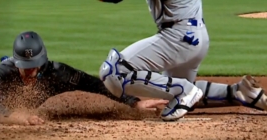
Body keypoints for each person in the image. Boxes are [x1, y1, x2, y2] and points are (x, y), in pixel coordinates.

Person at [98, 0, 267, 121]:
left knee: (114, 72)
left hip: (178, 36)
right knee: (177, 92)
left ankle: (184, 91)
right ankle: (239, 93)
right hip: (194, 34)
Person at [0, 31, 168, 125]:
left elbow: (94, 85)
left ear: (41, 62)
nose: (29, 72)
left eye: (33, 67)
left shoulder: (56, 73)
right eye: (24, 67)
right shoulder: (2, 73)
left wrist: (133, 103)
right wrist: (16, 117)